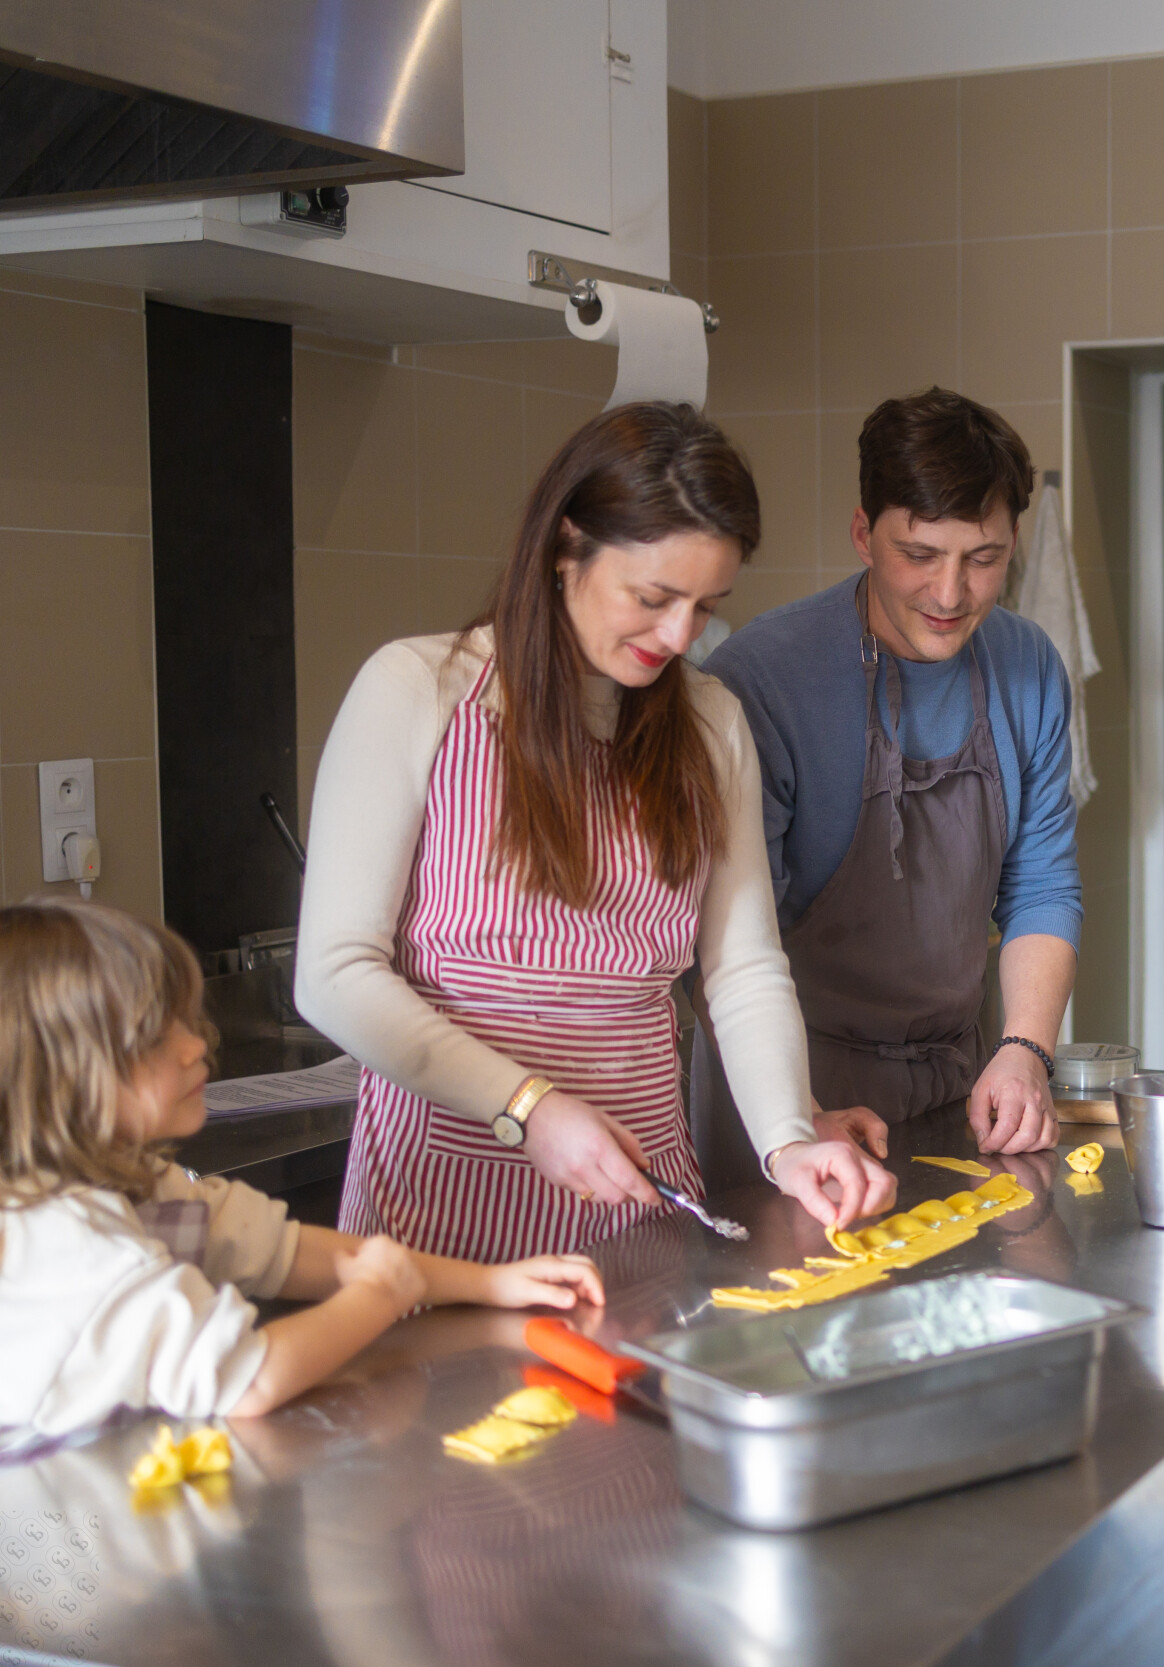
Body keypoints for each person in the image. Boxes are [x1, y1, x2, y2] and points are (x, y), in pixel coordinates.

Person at [296, 402, 894, 1265]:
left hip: (641, 1220)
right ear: (566, 546)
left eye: (706, 603)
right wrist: (527, 1105)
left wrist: (788, 1139)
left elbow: (743, 967)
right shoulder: (418, 689)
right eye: (653, 598)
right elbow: (332, 974)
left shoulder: (710, 721)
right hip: (437, 1234)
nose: (680, 635)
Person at [0, 899, 603, 1530]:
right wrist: (384, 1294)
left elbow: (275, 1248)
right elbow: (249, 1378)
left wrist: (489, 1283)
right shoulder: (55, 1249)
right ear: (58, 1083)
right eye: (156, 1034)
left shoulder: (93, 1181)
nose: (198, 1043)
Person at [703, 389, 1083, 1155]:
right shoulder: (764, 678)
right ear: (862, 533)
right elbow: (729, 937)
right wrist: (794, 1115)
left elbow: (1041, 883)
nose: (951, 595)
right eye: (920, 556)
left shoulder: (1030, 665)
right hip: (786, 1089)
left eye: (984, 559)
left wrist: (1025, 1050)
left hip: (956, 1080)